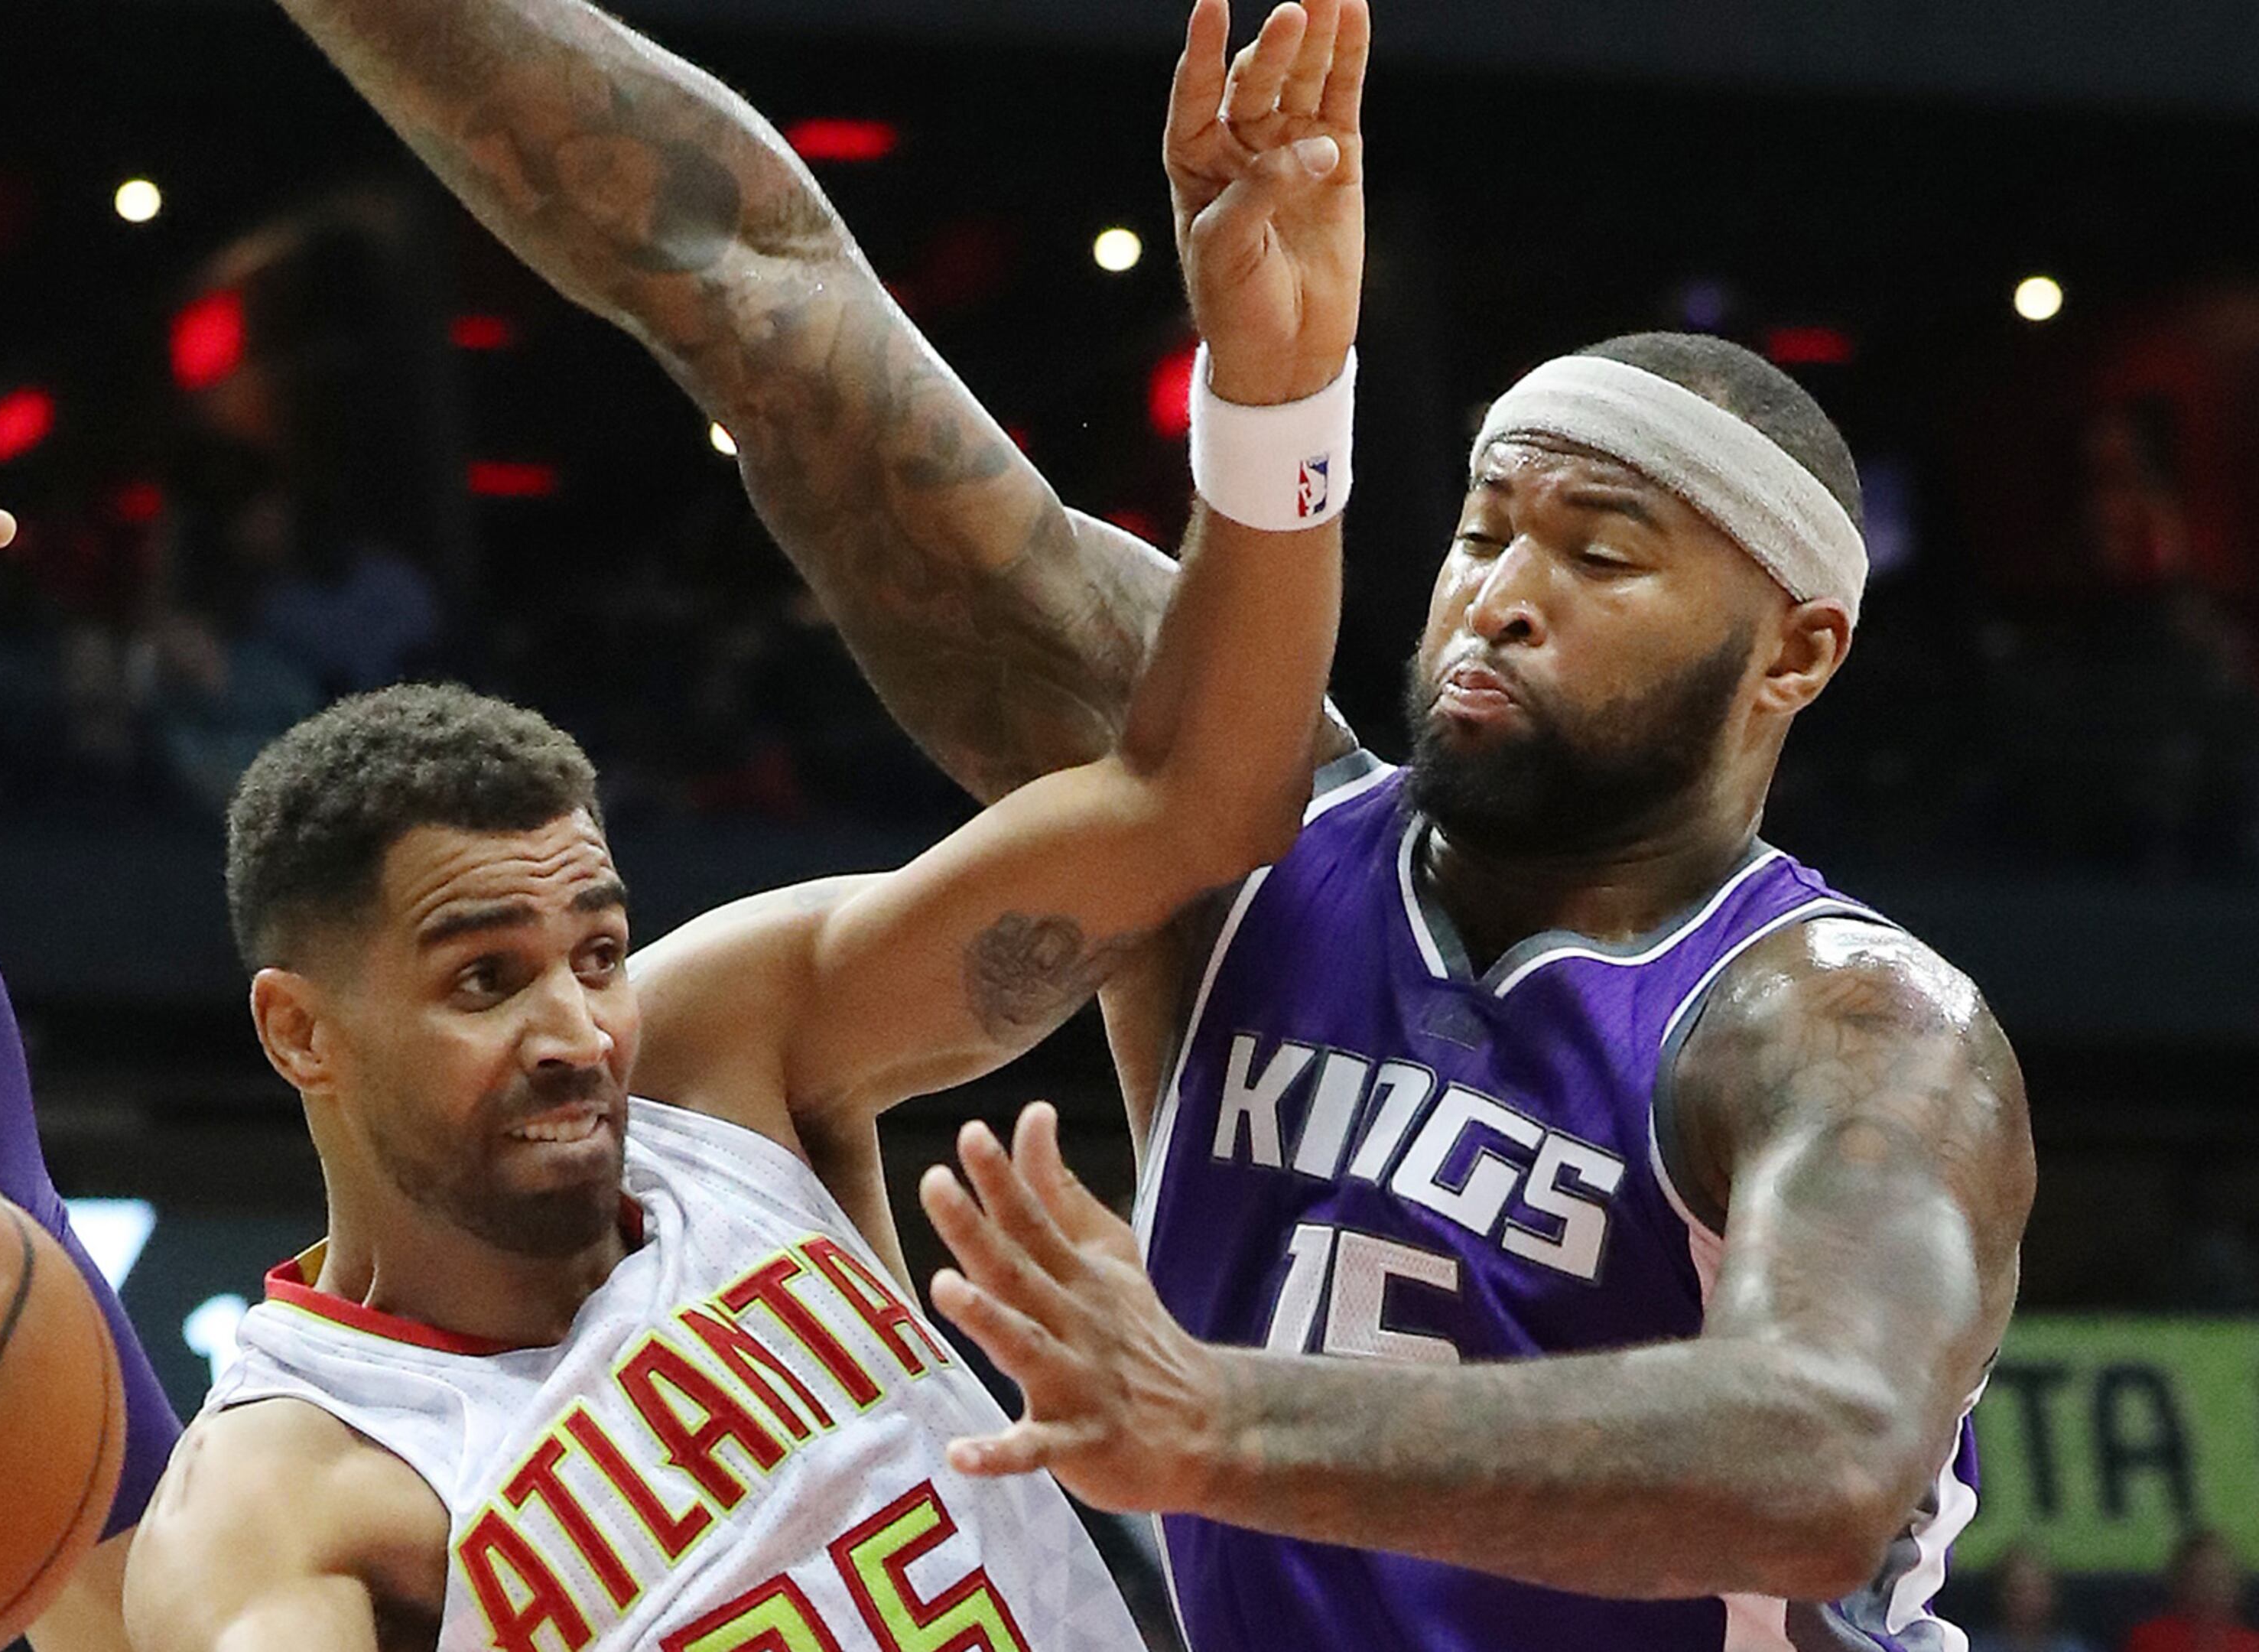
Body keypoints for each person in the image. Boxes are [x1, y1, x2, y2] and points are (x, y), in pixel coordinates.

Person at [0, 1, 1367, 1640]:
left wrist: (1278, 391)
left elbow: (1200, 801)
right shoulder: (286, 1502)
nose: (577, 1023)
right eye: (481, 973)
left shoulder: (721, 1059)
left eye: (591, 946)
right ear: (299, 1025)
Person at [265, 0, 2036, 1644]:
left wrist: (1218, 1415)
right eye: (1484, 531)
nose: (1500, 594)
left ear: (1793, 651)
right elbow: (759, 293)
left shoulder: (1844, 1021)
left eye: (1597, 556)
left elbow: (1824, 1451)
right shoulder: (1239, 841)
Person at [2124, 1530, 2259, 1652]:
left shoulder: (2252, 1646)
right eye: (2200, 1578)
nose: (2210, 1588)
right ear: (2181, 1583)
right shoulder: (2149, 1640)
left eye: (2218, 1578)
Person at [1970, 1543, 2099, 1652]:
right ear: (2000, 1594)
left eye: (2038, 1590)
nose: (2028, 1599)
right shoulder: (1974, 1647)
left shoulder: (2073, 1649)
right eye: (2018, 1590)